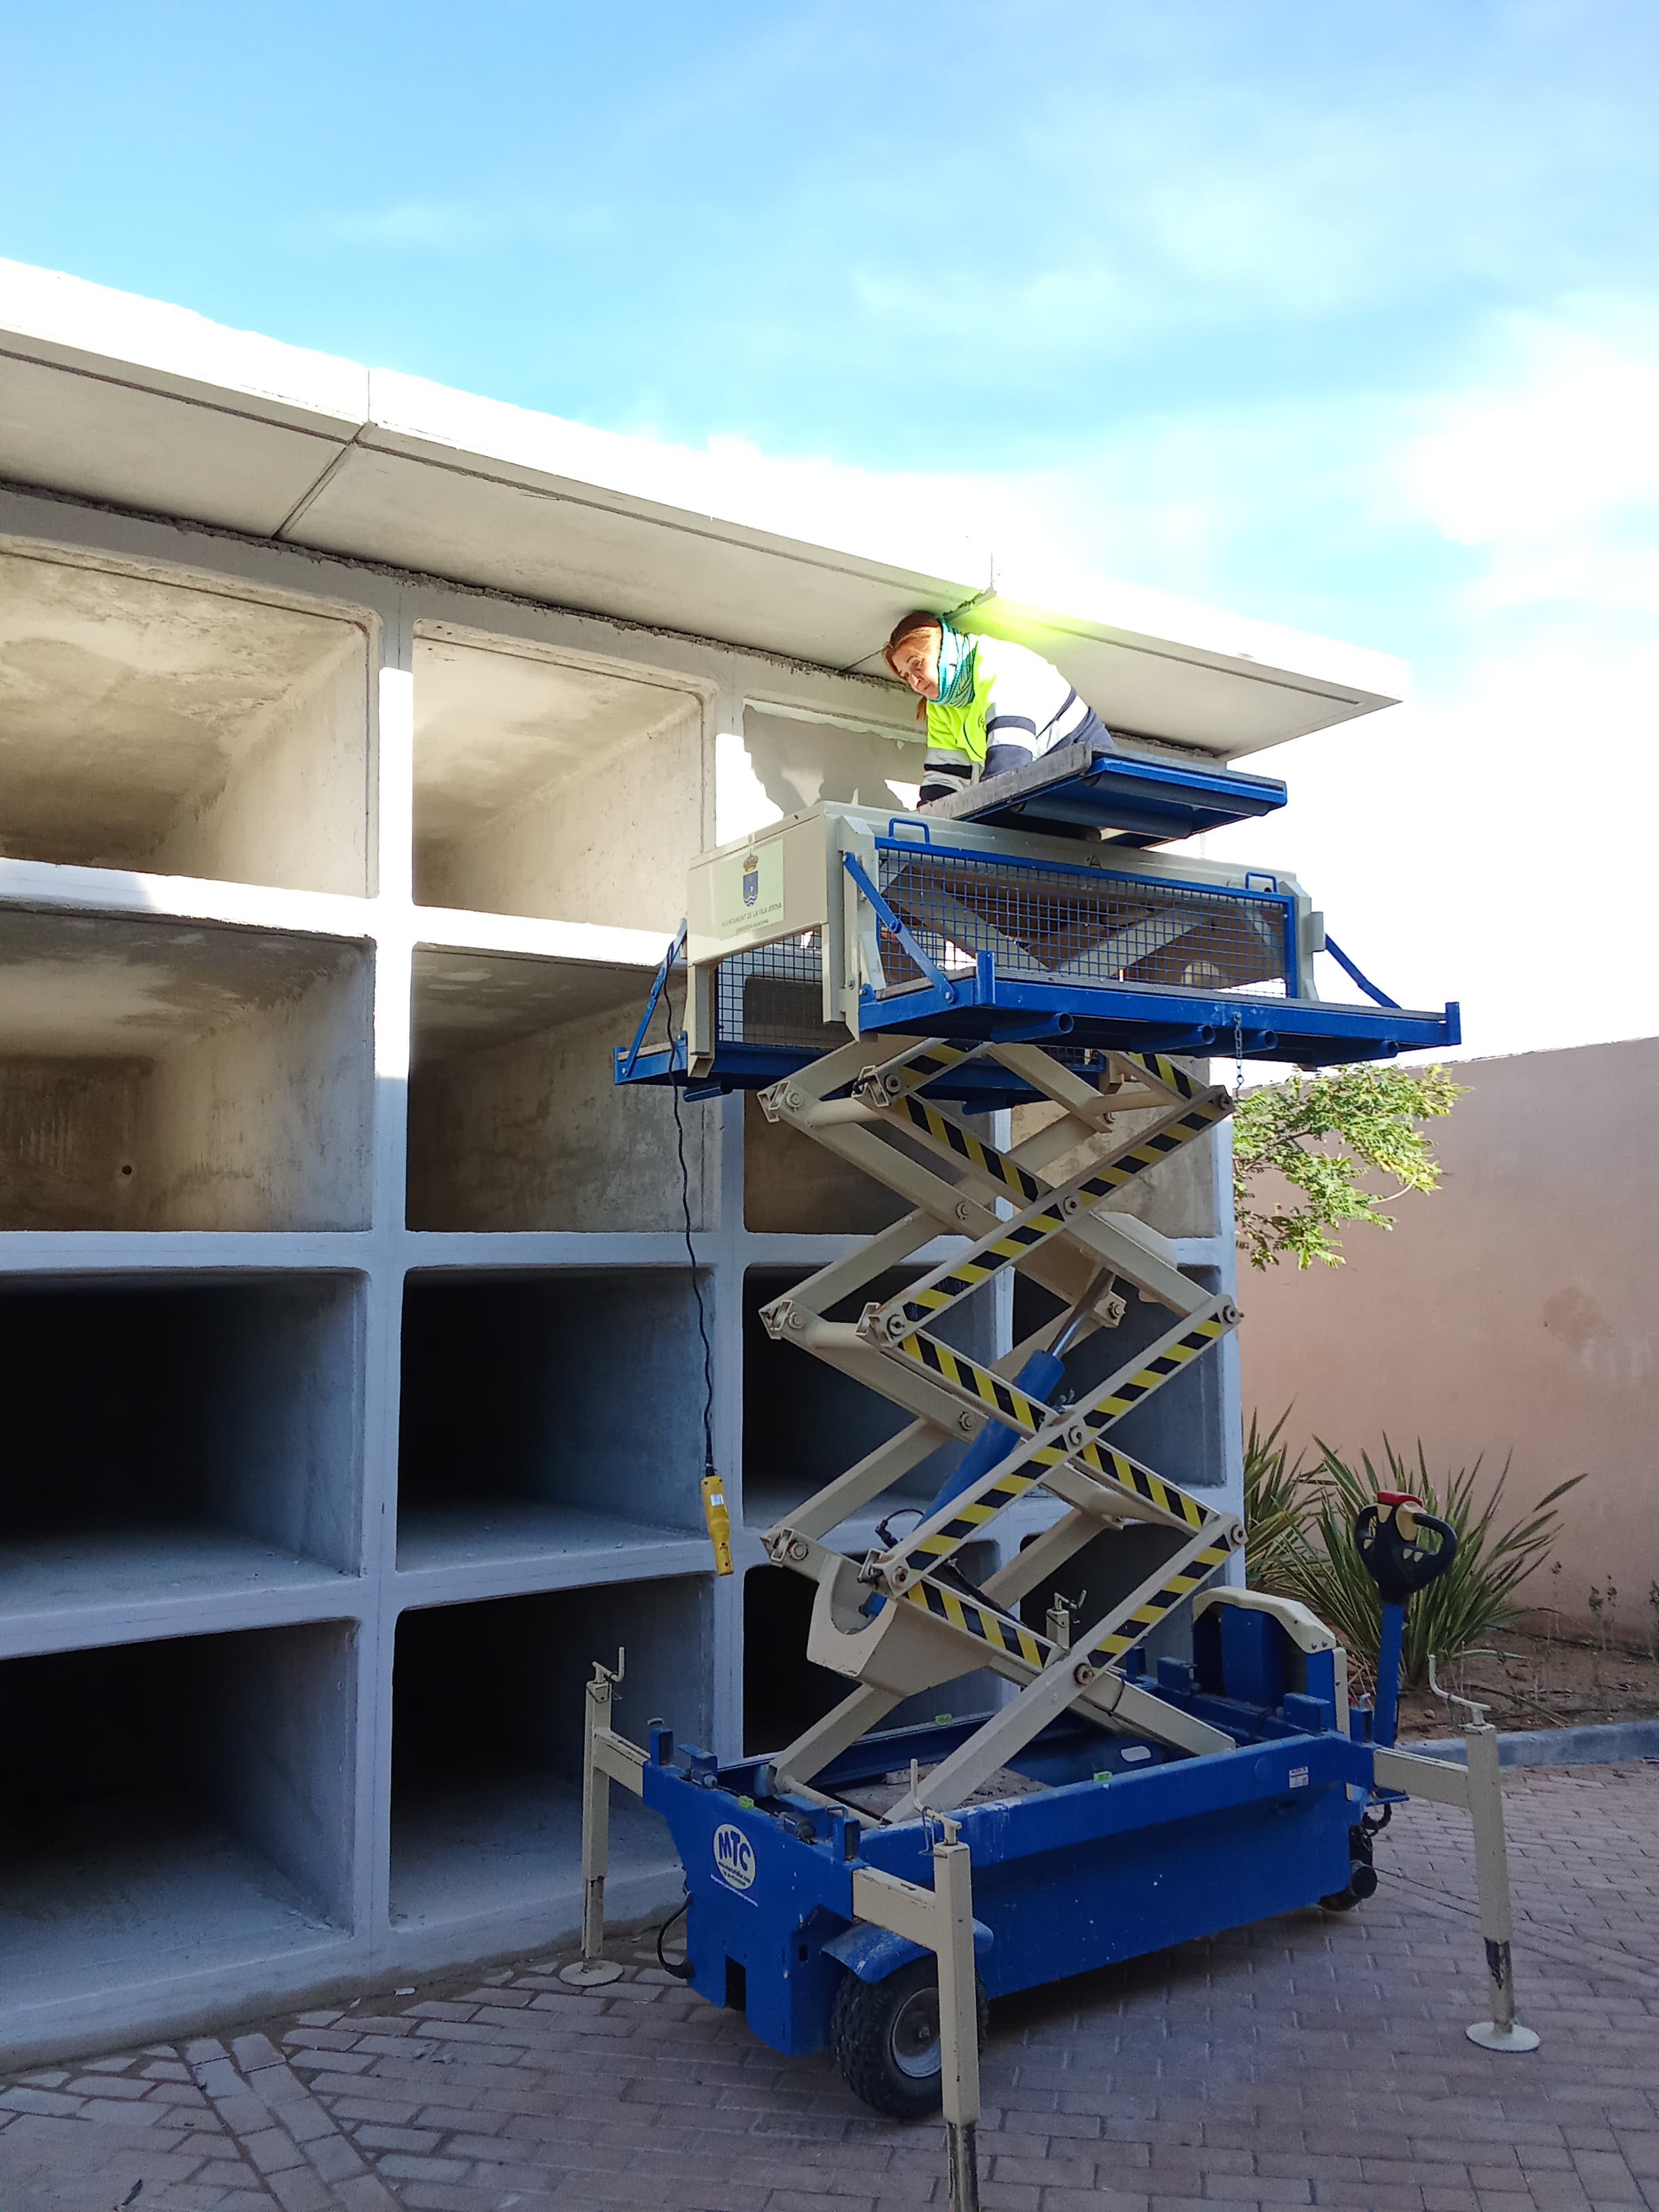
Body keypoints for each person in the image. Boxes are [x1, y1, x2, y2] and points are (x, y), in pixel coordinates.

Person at [882, 609, 1115, 807]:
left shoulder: (996, 665)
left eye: (918, 664)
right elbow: (943, 780)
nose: (915, 681)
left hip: (1090, 769)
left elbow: (1009, 762)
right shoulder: (941, 708)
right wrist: (927, 828)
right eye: (906, 676)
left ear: (944, 651)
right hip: (1048, 781)